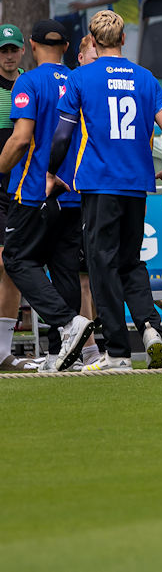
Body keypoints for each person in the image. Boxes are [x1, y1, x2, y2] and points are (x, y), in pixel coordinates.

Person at [47, 10, 162, 371]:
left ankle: (118, 352)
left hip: (99, 184)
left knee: (102, 264)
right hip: (136, 185)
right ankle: (149, 327)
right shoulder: (146, 78)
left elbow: (61, 136)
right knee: (131, 261)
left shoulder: (80, 78)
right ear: (123, 40)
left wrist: (50, 172)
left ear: (93, 39)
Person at [0, 20, 91, 372]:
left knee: (17, 260)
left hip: (34, 190)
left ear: (33, 46)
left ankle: (68, 323)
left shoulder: (29, 81)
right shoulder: (79, 80)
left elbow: (22, 138)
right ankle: (60, 354)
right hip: (72, 191)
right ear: (67, 47)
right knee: (64, 268)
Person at [0, 26, 30, 370]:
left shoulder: (31, 83)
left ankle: (4, 352)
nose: (8, 55)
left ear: (23, 51)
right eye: (3, 50)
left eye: (13, 49)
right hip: (0, 188)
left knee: (12, 267)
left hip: (24, 188)